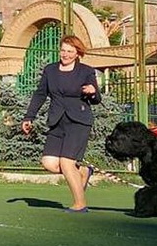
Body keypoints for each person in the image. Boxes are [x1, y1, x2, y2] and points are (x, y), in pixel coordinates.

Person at [22, 35, 101, 213]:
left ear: (78, 53)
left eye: (70, 51)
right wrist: (29, 117)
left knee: (66, 162)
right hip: (57, 120)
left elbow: (96, 99)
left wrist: (92, 91)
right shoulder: (50, 70)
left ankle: (80, 204)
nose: (65, 54)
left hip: (79, 121)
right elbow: (40, 94)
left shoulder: (86, 71)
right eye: (63, 50)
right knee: (49, 163)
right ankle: (83, 172)